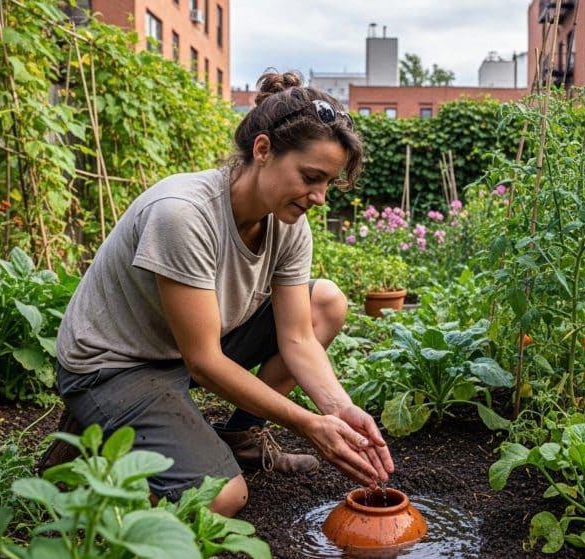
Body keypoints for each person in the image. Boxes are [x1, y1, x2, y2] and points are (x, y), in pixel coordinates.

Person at [52, 70, 393, 516]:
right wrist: (309, 424)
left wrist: (340, 409)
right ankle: (86, 472)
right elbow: (206, 363)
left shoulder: (288, 225)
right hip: (116, 365)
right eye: (311, 177)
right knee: (221, 498)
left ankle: (239, 437)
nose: (320, 197)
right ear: (263, 150)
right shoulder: (183, 215)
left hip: (184, 348)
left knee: (324, 302)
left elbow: (298, 338)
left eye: (328, 182)